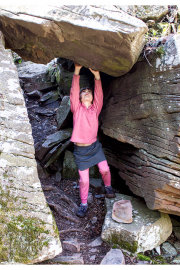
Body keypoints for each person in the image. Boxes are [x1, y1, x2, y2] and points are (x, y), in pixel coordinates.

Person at [70, 62, 116, 218]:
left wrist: (97, 76)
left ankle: (108, 187)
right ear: (80, 98)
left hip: (94, 147)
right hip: (81, 151)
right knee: (84, 181)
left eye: (89, 91)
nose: (87, 93)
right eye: (84, 92)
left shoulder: (95, 109)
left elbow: (100, 94)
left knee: (105, 169)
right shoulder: (77, 109)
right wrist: (77, 71)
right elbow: (74, 91)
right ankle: (83, 204)